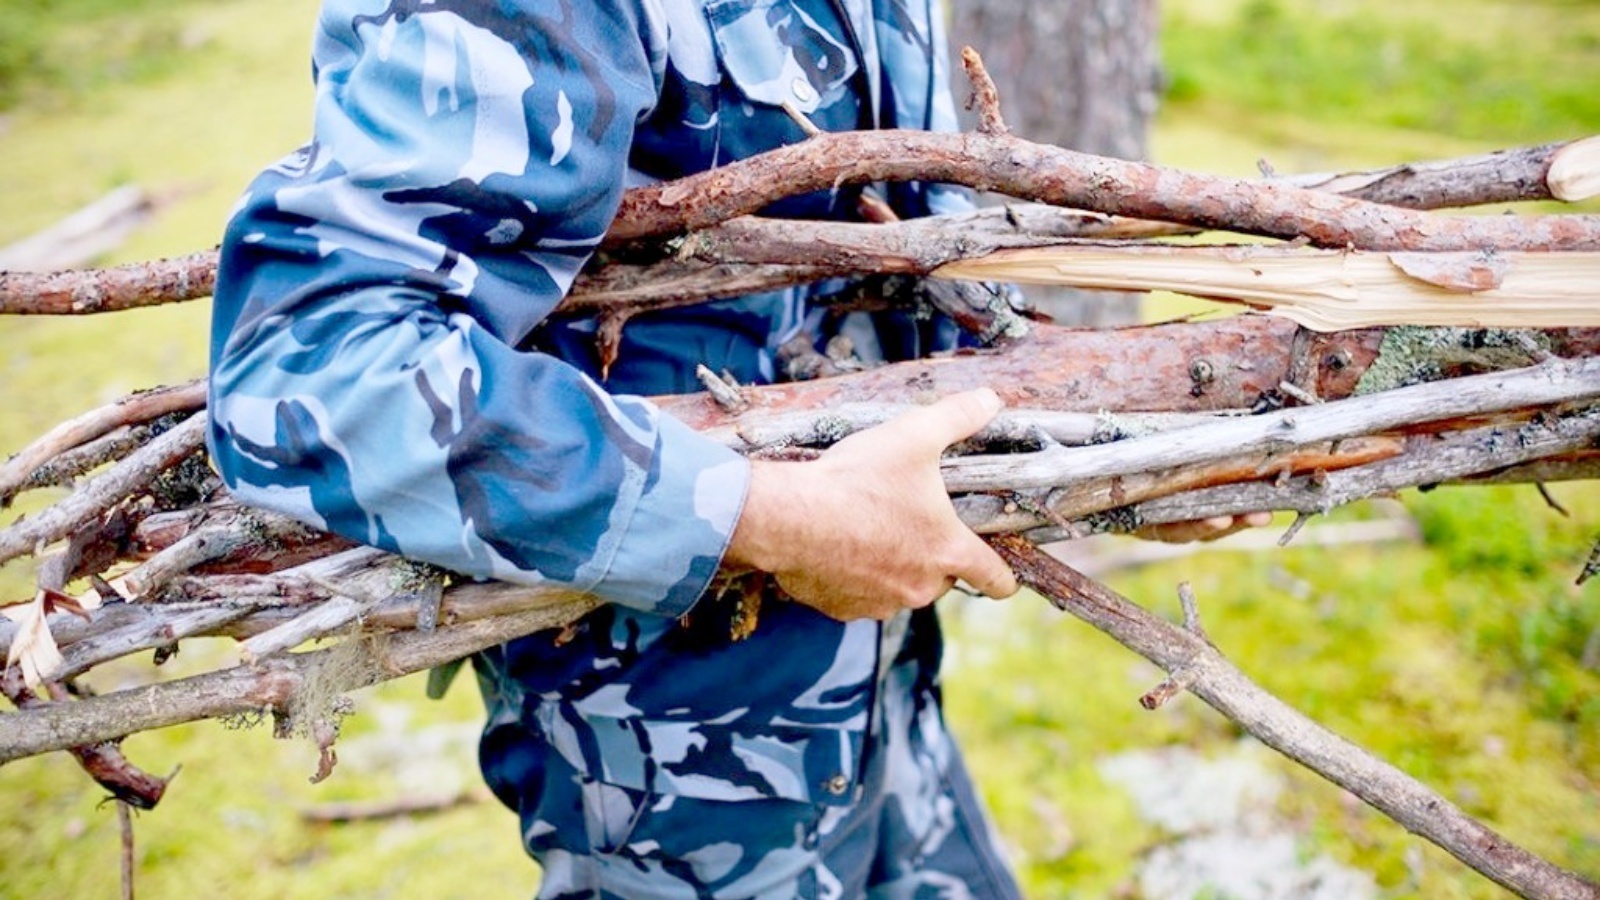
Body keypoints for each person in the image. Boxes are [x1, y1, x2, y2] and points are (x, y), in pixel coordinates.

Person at [206, 1, 1258, 895]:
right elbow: (317, 364)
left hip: (890, 696)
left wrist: (1112, 458)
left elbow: (897, 261)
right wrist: (775, 520)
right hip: (671, 746)